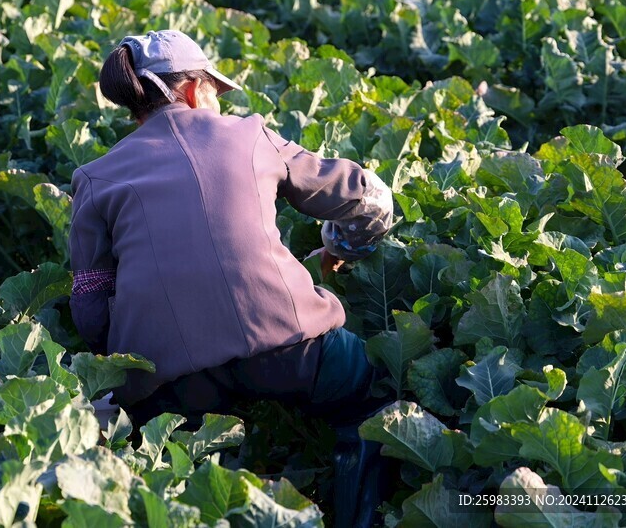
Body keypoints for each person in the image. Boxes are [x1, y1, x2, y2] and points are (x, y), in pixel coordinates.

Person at [67, 29, 395, 428]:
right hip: (291, 344)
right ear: (192, 90)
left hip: (169, 382)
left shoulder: (94, 177)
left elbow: (90, 306)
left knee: (173, 465)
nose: (220, 105)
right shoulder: (250, 134)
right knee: (373, 401)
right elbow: (371, 198)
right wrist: (338, 247)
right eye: (214, 91)